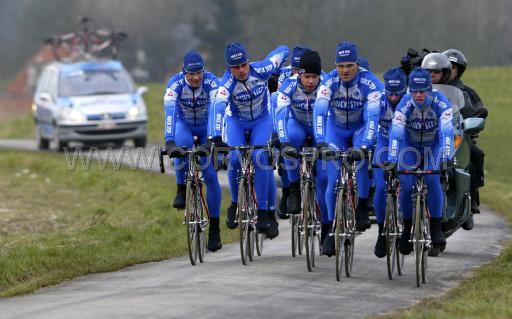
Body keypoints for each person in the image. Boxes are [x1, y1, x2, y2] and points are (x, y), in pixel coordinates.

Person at [208, 42, 289, 239]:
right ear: (229, 68)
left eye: (244, 64)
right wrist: (216, 137)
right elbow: (218, 108)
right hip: (237, 122)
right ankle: (235, 203)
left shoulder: (261, 69)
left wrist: (276, 73)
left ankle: (263, 212)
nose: (241, 70)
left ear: (248, 62)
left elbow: (283, 50)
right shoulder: (227, 83)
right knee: (235, 159)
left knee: (260, 157)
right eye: (236, 67)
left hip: (261, 120)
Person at [314, 41, 383, 256]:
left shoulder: (370, 83)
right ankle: (334, 227)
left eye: (349, 65)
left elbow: (373, 118)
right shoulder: (329, 82)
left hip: (360, 128)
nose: (344, 70)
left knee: (361, 160)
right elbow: (319, 113)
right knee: (333, 179)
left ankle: (362, 205)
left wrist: (364, 146)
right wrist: (321, 142)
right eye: (340, 65)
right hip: (335, 130)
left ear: (357, 65)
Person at [387, 67, 454, 257]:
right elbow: (396, 134)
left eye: (422, 91)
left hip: (433, 145)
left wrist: (445, 158)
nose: (418, 95)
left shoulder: (441, 102)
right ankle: (407, 227)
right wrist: (392, 159)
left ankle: (436, 228)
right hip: (410, 146)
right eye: (414, 91)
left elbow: (447, 132)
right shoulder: (405, 104)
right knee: (407, 186)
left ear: (429, 89)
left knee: (433, 181)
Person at [163, 50, 223, 252]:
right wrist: (169, 141)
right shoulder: (175, 84)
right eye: (191, 74)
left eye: (199, 72)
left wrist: (213, 139)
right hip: (184, 124)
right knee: (180, 147)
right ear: (184, 72)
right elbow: (170, 112)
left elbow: (217, 110)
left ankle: (214, 228)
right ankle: (181, 188)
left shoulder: (212, 82)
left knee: (210, 176)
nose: (196, 77)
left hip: (206, 126)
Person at [275, 50, 329, 244]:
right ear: (299, 74)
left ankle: (326, 224)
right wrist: (284, 142)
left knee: (322, 179)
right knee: (292, 139)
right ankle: (295, 188)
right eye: (307, 76)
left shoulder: (326, 85)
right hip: (296, 124)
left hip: (319, 128)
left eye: (315, 77)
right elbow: (280, 115)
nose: (310, 81)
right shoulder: (288, 86)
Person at [443, 48, 487, 220]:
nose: (452, 71)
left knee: (476, 154)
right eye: (449, 67)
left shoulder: (467, 92)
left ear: (459, 71)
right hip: (439, 137)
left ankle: (473, 194)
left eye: (455, 68)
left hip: (461, 135)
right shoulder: (432, 89)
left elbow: (478, 107)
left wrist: (478, 115)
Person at [372, 67, 407, 258]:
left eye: (398, 94)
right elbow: (368, 123)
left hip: (407, 146)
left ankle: (408, 223)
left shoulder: (411, 101)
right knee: (380, 188)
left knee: (406, 185)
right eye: (390, 93)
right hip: (384, 145)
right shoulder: (378, 100)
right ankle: (381, 231)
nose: (393, 98)